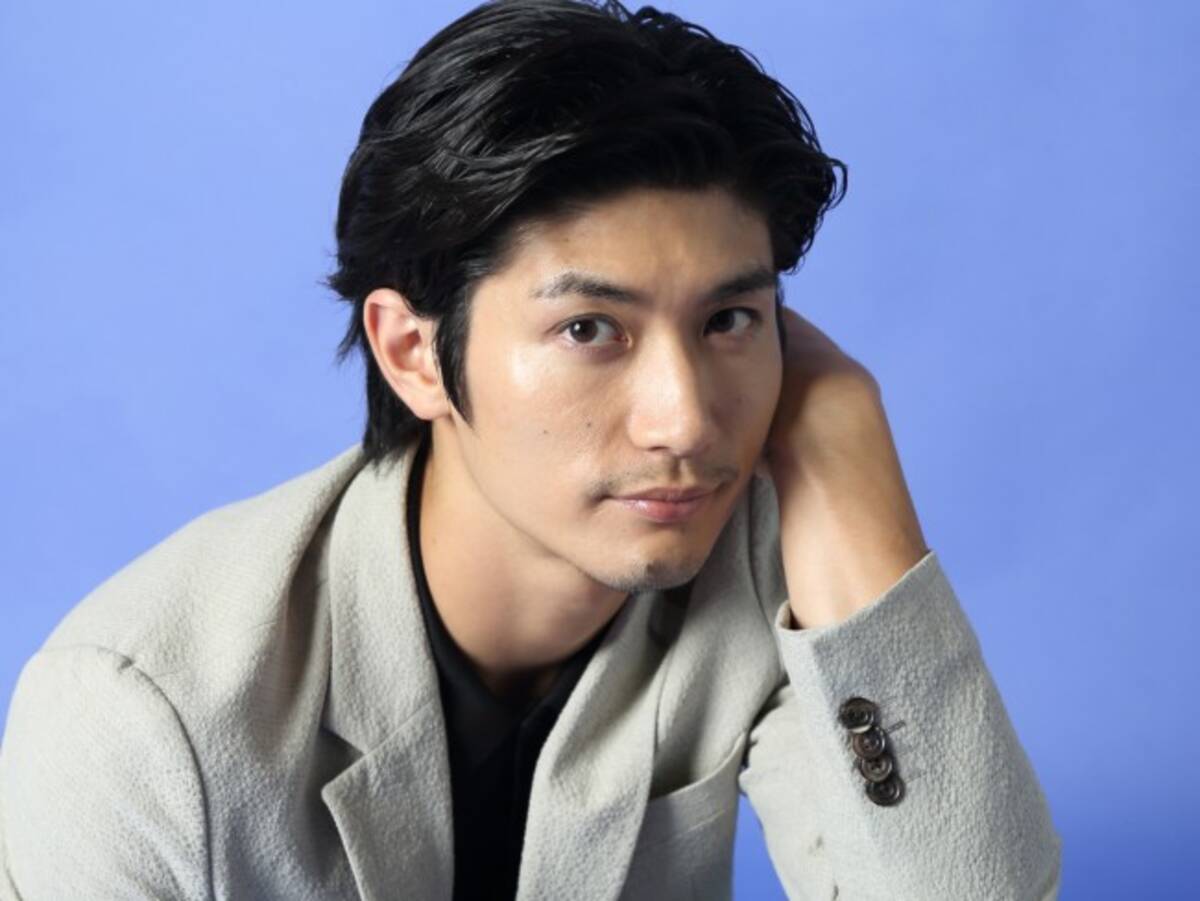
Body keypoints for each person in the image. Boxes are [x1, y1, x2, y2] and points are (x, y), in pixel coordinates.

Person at [0, 1, 1063, 898]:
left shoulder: (767, 568)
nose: (686, 421)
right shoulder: (143, 713)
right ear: (413, 353)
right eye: (589, 328)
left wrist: (852, 470)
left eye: (729, 320)